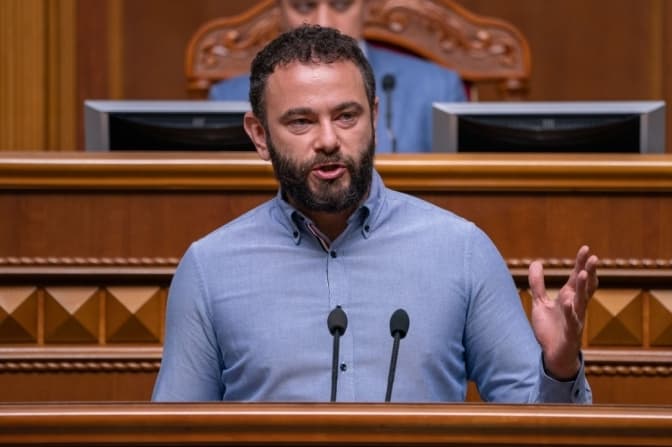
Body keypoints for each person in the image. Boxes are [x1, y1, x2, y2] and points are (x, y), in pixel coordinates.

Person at [153, 25, 599, 403]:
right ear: (259, 135)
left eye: (346, 116)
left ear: (375, 117)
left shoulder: (460, 250)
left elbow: (536, 428)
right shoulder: (209, 268)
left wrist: (559, 368)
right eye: (301, 121)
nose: (328, 140)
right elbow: (174, 434)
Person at [209, 0, 466, 153]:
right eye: (304, 5)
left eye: (341, 4)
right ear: (279, 10)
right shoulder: (228, 98)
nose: (323, 22)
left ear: (367, 7)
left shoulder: (437, 88)